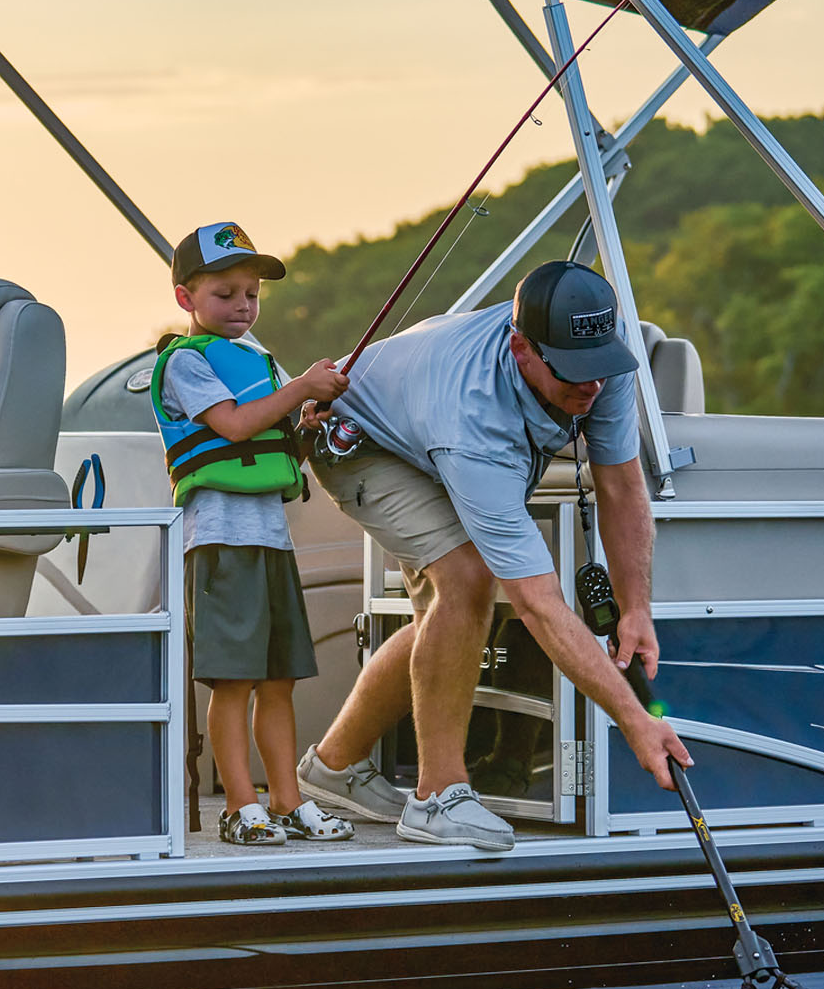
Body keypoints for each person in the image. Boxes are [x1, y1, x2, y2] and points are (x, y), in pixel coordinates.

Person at [296, 260, 693, 851]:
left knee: (454, 604)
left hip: (422, 423)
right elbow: (538, 604)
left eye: (600, 370)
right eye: (573, 375)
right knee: (466, 580)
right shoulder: (473, 419)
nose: (591, 388)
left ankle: (333, 767)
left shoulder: (604, 364)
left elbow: (621, 485)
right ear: (522, 349)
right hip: (360, 439)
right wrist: (636, 721)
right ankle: (437, 798)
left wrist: (637, 608)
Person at [152, 222, 356, 846]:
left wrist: (309, 414)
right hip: (219, 542)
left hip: (270, 539)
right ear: (186, 298)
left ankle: (288, 802)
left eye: (251, 294)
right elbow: (237, 426)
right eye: (226, 293)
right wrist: (300, 389)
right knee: (234, 681)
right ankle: (241, 806)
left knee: (278, 679)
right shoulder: (186, 362)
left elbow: (276, 425)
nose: (243, 305)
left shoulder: (260, 357)